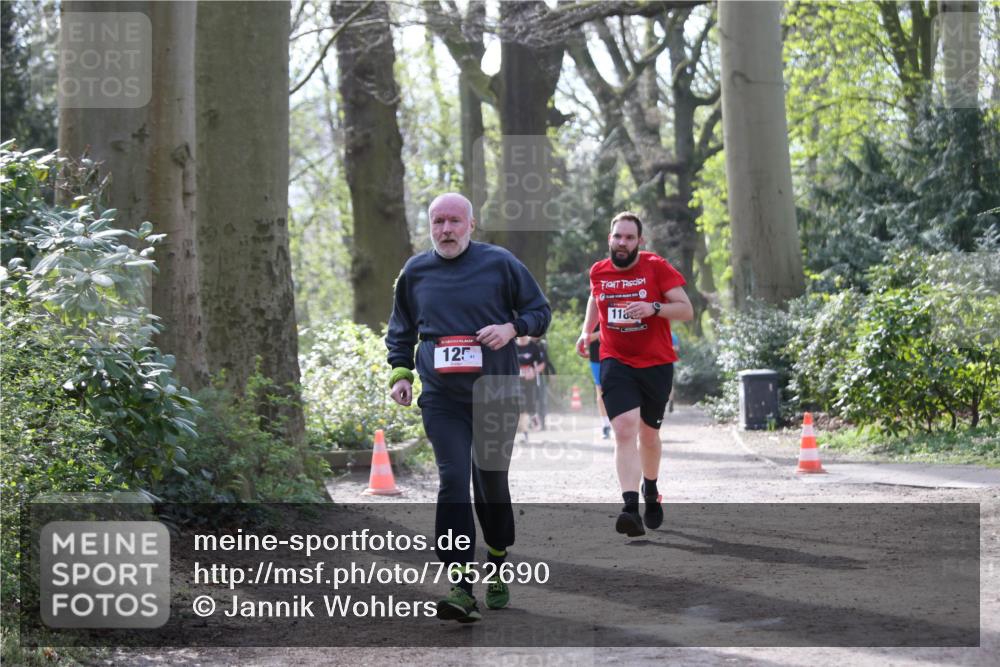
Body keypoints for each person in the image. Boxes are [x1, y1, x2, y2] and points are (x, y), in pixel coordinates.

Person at [386, 192, 551, 622]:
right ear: (430, 227)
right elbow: (400, 331)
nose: (446, 230)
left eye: (454, 221)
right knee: (453, 481)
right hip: (441, 398)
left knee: (491, 484)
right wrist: (401, 374)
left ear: (471, 225)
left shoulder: (500, 263)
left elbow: (540, 312)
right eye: (438, 222)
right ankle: (460, 585)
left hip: (495, 392)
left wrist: (511, 327)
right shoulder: (415, 272)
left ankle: (497, 562)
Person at [576, 211, 693, 537]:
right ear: (609, 239)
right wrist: (587, 332)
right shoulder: (599, 271)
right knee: (625, 429)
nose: (622, 242)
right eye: (617, 237)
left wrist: (654, 308)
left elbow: (686, 309)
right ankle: (629, 507)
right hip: (617, 360)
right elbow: (593, 298)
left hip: (656, 363)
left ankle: (651, 491)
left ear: (640, 241)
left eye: (629, 237)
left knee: (649, 435)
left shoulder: (656, 267)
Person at [515, 336, 545, 439]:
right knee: (520, 406)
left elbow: (542, 364)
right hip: (516, 382)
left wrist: (534, 371)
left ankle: (533, 418)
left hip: (530, 382)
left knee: (530, 406)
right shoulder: (512, 346)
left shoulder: (533, 346)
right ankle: (524, 433)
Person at [586, 325, 612, 439]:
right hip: (596, 359)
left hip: (614, 356)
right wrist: (603, 332)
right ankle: (606, 425)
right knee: (601, 393)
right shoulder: (593, 317)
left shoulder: (613, 310)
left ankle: (618, 423)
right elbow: (587, 337)